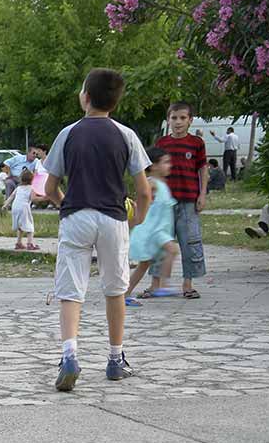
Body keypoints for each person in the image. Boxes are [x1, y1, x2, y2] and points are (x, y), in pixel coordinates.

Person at [42, 68, 152, 392]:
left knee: (70, 289)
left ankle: (69, 356)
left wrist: (66, 204)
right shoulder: (126, 135)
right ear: (114, 103)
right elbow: (143, 191)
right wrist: (137, 219)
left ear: (85, 97)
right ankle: (116, 359)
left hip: (76, 216)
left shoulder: (68, 133)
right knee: (115, 289)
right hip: (113, 218)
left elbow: (49, 186)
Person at [152, 102, 207, 300]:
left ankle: (187, 284)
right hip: (164, 203)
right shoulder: (162, 143)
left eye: (183, 118)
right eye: (174, 118)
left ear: (190, 120)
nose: (178, 122)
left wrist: (203, 194)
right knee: (160, 243)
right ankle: (155, 285)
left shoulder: (197, 143)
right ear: (168, 119)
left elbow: (202, 169)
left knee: (189, 242)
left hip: (188, 201)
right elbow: (154, 170)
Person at [126, 147, 180, 306]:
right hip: (152, 230)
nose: (169, 165)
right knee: (173, 250)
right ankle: (163, 286)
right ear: (154, 165)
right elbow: (140, 202)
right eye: (166, 162)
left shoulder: (162, 183)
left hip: (160, 229)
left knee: (144, 264)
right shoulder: (152, 183)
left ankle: (125, 294)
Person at [2, 168, 44, 250]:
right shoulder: (32, 188)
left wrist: (5, 205)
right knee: (29, 226)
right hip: (24, 207)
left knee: (20, 226)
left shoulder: (19, 188)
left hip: (15, 207)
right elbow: (33, 199)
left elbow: (11, 196)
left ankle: (19, 243)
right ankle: (30, 243)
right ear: (32, 180)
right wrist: (45, 198)